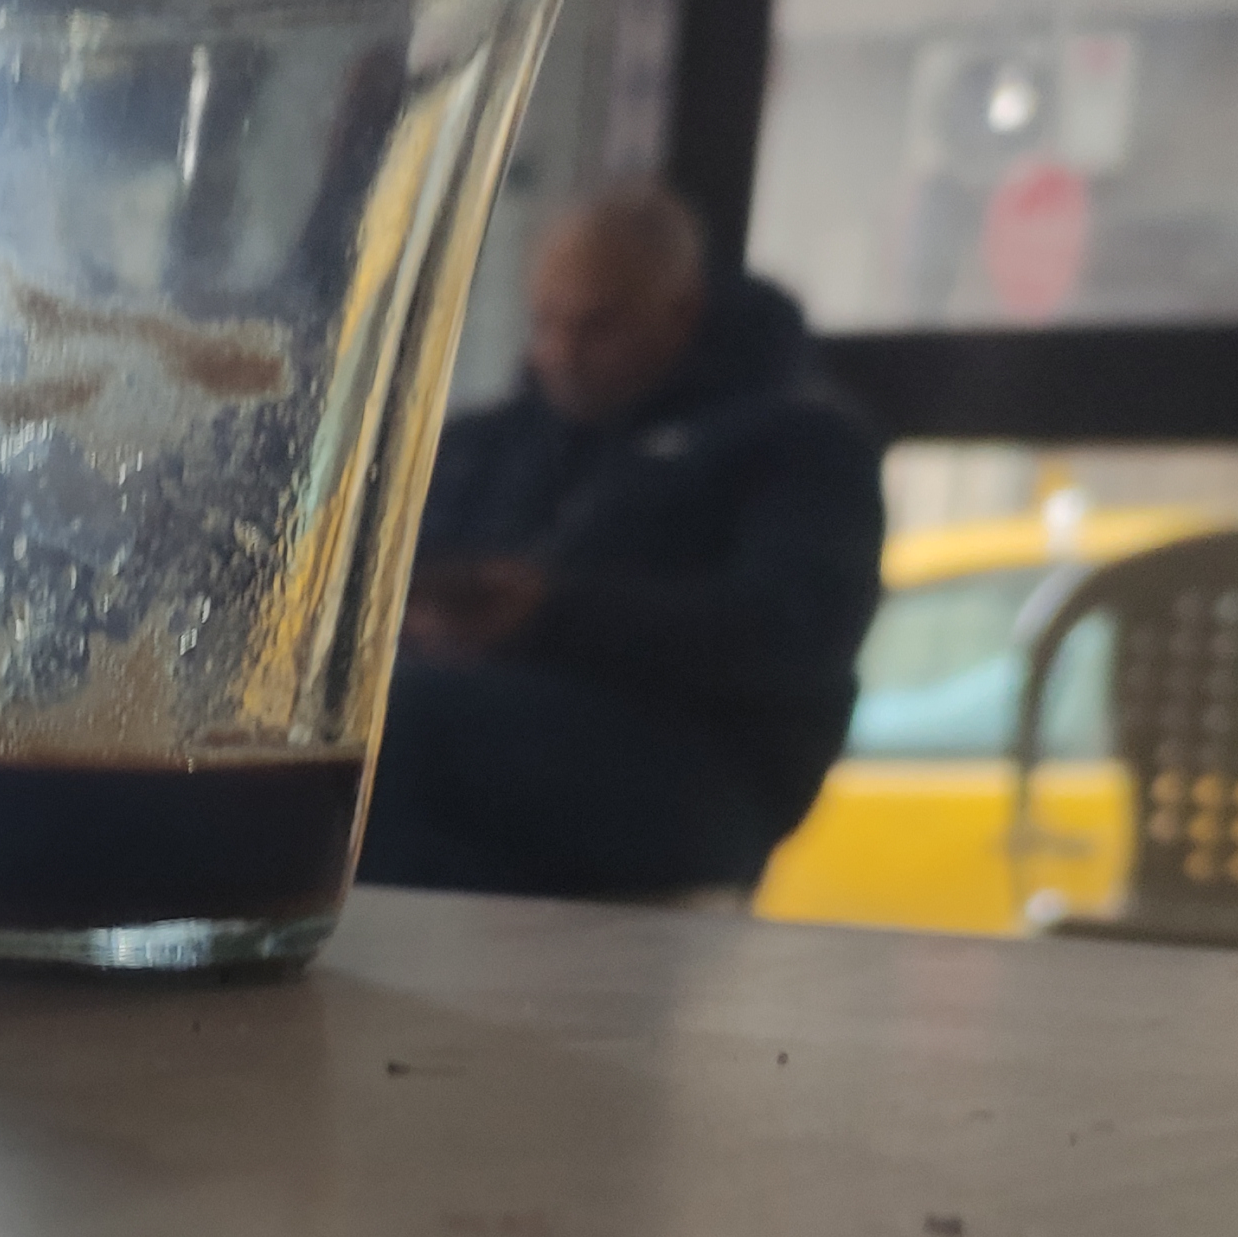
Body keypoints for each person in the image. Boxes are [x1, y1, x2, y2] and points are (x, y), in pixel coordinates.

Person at [363, 184, 886, 902]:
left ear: (681, 313)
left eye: (597, 327)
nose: (563, 353)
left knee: (399, 731)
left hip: (700, 771)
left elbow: (794, 634)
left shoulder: (801, 446)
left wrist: (553, 614)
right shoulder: (488, 443)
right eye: (547, 323)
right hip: (476, 731)